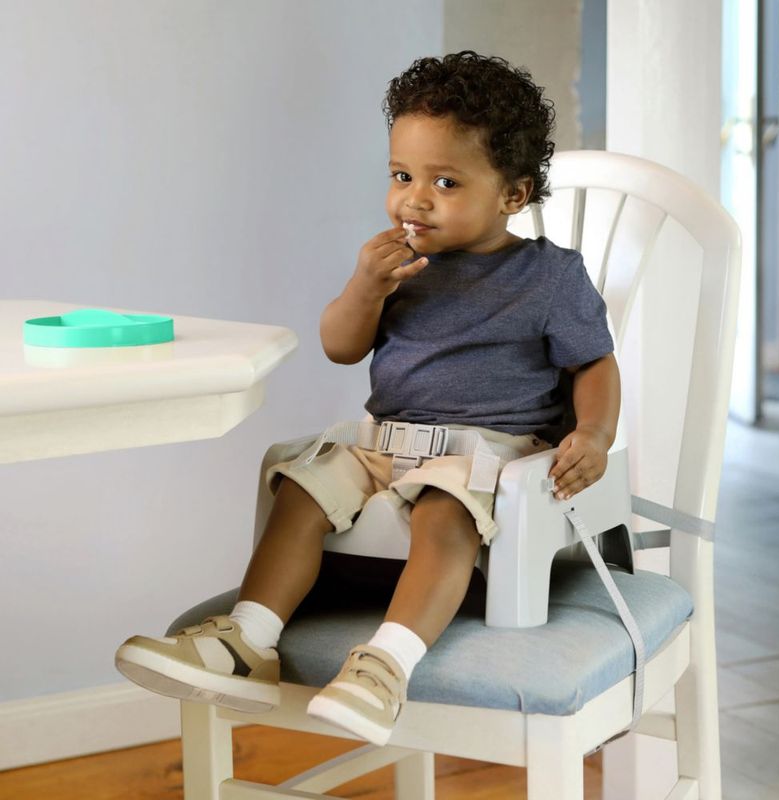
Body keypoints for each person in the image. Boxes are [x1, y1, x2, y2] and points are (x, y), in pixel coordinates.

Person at [115, 51, 621, 747]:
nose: (415, 199)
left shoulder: (549, 276)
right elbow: (340, 346)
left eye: (445, 182)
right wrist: (365, 287)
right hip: (384, 444)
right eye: (401, 176)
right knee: (300, 486)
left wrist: (593, 434)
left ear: (513, 194)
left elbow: (593, 363)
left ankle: (385, 667)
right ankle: (249, 639)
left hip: (487, 458)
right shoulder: (400, 267)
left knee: (445, 511)